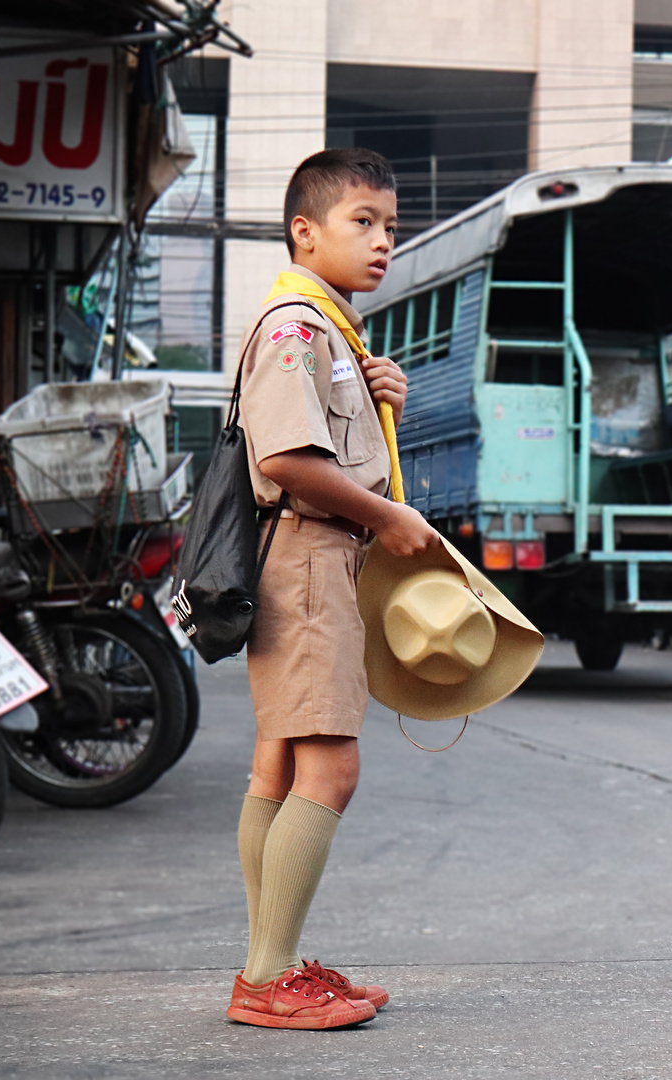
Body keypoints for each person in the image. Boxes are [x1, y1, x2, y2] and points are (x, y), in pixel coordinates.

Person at [227, 148, 438, 1030]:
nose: (384, 240)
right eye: (364, 222)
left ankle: (267, 965)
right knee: (330, 767)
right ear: (304, 232)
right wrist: (388, 520)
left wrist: (378, 386)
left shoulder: (334, 331)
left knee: (280, 760)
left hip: (314, 558)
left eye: (391, 225)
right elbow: (283, 458)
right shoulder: (297, 327)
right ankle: (268, 978)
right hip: (310, 558)